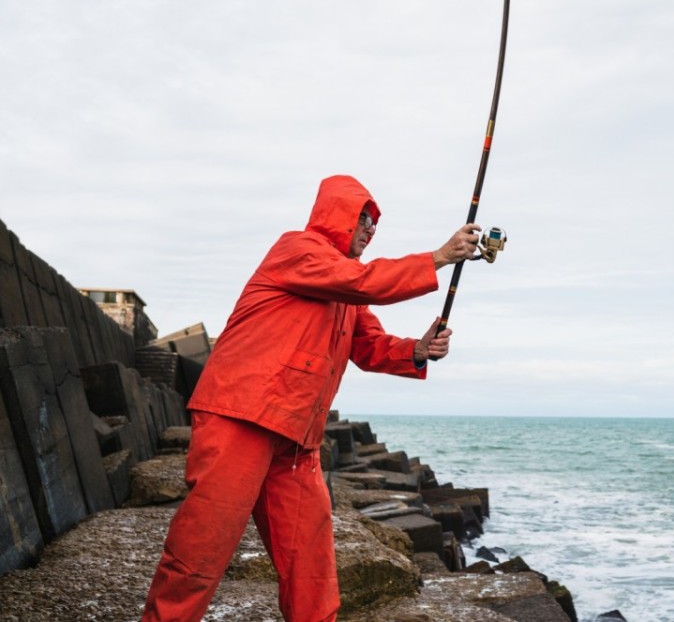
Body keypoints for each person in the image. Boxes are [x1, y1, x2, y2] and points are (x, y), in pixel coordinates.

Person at [141, 174, 480, 622]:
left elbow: (369, 346)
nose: (369, 229)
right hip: (242, 418)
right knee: (201, 547)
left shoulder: (346, 289)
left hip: (298, 438)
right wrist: (437, 258)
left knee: (310, 562)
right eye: (362, 218)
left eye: (374, 223)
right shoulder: (298, 250)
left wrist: (415, 350)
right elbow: (364, 282)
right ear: (335, 215)